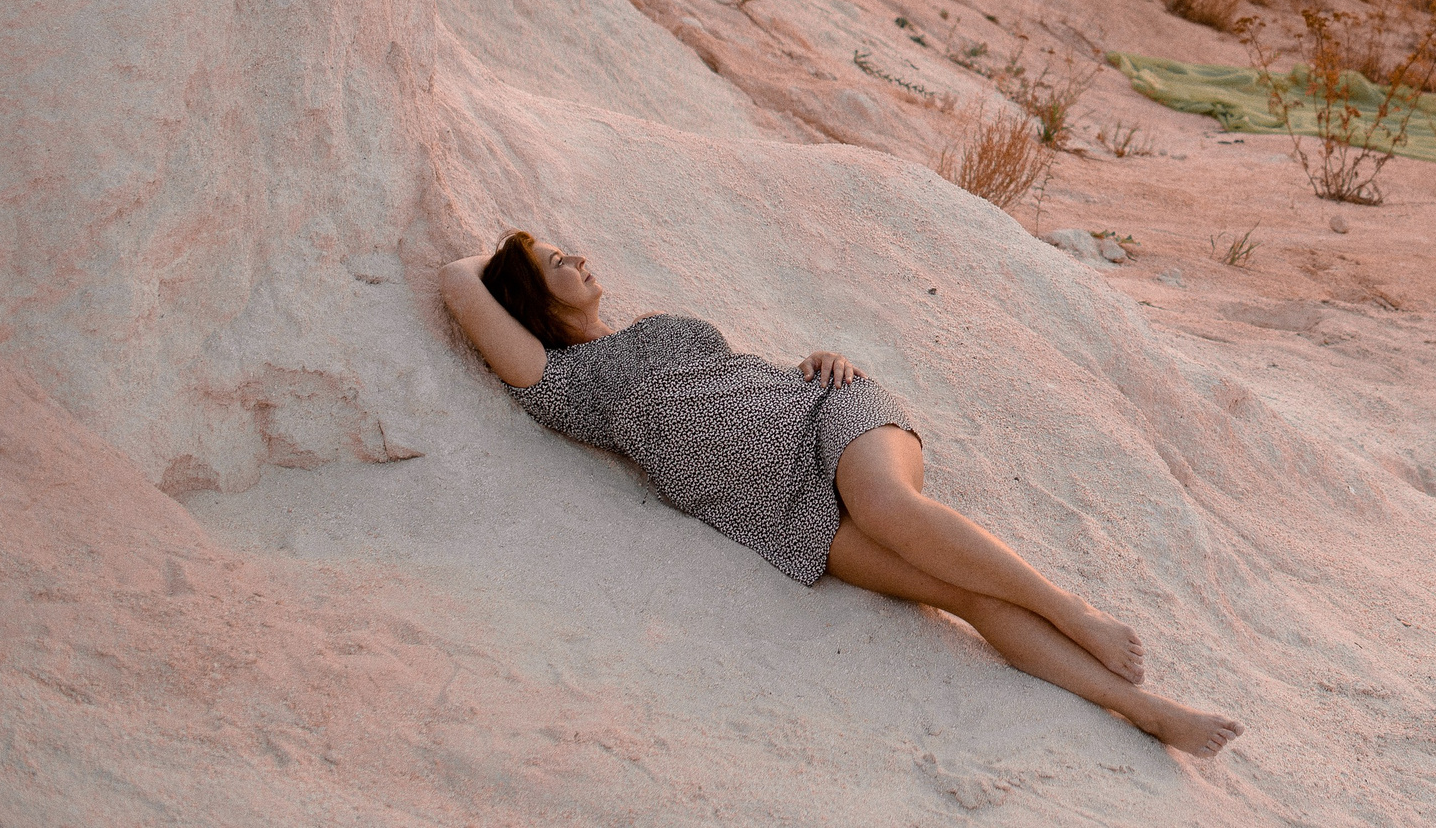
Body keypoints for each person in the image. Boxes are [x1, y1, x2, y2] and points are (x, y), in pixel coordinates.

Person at [438, 230, 1242, 758]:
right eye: (554, 262)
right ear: (534, 303)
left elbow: (740, 371)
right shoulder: (565, 382)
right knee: (958, 596)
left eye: (565, 247)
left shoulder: (646, 328)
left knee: (893, 510)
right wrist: (504, 251)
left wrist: (813, 358)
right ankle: (1146, 711)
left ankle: (1076, 612)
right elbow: (457, 278)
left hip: (826, 408)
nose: (577, 256)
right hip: (781, 508)